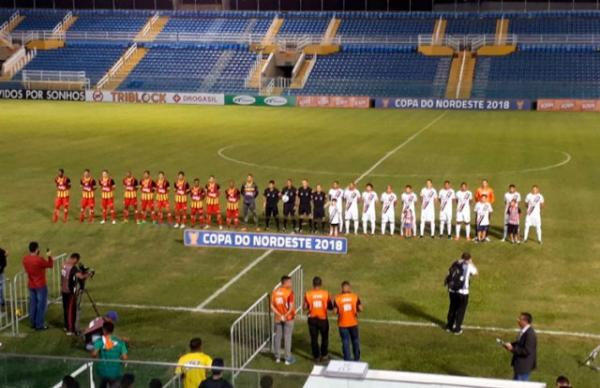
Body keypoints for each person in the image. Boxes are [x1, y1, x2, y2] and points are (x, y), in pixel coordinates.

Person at [445, 252, 478, 335]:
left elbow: (449, 273)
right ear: (469, 258)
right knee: (461, 310)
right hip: (463, 292)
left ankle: (449, 326)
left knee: (452, 307)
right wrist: (471, 263)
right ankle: (457, 329)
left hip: (452, 290)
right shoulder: (469, 266)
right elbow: (476, 272)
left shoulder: (455, 263)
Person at [23, 242, 53, 330]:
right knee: (41, 306)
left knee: (33, 305)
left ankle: (33, 323)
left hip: (31, 285)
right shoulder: (39, 259)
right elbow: (50, 265)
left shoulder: (25, 259)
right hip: (40, 285)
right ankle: (39, 325)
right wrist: (49, 256)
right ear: (36, 249)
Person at [304, 276, 333, 363]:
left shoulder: (308, 294)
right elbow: (330, 307)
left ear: (313, 284)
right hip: (323, 318)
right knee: (324, 338)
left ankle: (316, 356)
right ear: (320, 284)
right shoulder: (325, 293)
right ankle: (324, 355)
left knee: (314, 338)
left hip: (312, 319)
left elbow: (305, 307)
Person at [61, 253, 91, 335]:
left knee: (66, 309)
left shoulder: (64, 264)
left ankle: (67, 326)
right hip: (70, 292)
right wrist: (88, 274)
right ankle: (70, 330)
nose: (77, 262)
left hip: (63, 290)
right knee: (71, 311)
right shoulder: (73, 268)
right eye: (77, 260)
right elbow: (81, 276)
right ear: (74, 259)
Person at [91, 321, 128, 388]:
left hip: (102, 371)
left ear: (104, 330)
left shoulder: (100, 341)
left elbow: (94, 354)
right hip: (116, 372)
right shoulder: (120, 342)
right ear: (112, 330)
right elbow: (124, 357)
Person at [502, 312, 537, 381]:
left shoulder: (530, 334)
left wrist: (512, 349)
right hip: (520, 366)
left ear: (525, 321)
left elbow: (526, 351)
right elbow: (520, 343)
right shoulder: (525, 331)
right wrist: (510, 344)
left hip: (523, 367)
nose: (517, 320)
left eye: (520, 319)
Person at [334, 281, 363, 361]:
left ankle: (347, 359)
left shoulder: (337, 298)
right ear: (349, 287)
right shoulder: (354, 297)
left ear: (342, 288)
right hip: (353, 322)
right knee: (355, 340)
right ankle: (357, 358)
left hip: (342, 324)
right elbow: (361, 308)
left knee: (345, 342)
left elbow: (335, 311)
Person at [271, 275, 295, 365]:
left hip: (278, 318)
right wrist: (284, 315)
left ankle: (277, 357)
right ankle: (287, 358)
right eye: (290, 282)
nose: (291, 283)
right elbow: (291, 307)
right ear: (285, 283)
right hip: (288, 318)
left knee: (277, 337)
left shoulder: (275, 292)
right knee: (287, 337)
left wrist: (279, 315)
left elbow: (272, 306)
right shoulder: (289, 292)